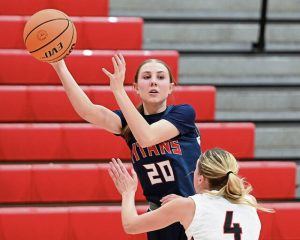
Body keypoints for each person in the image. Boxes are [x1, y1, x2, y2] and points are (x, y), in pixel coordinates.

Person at [50, 53, 201, 240]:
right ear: (136, 87)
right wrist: (59, 66)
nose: (153, 82)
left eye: (160, 77)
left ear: (170, 88)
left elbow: (147, 137)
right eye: (146, 77)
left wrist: (118, 91)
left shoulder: (184, 113)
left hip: (192, 211)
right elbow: (88, 111)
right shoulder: (128, 122)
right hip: (157, 215)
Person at [108, 148, 273, 240]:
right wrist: (187, 203)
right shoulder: (248, 201)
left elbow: (131, 225)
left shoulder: (188, 206)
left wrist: (127, 193)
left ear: (200, 179)